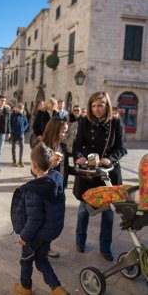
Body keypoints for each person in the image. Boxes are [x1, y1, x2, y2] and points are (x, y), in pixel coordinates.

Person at [73, 91, 126, 262]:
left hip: (107, 174)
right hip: (88, 172)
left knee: (108, 213)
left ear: (107, 106)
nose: (97, 109)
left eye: (100, 105)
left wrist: (109, 159)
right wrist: (79, 156)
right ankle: (80, 241)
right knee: (83, 209)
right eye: (94, 105)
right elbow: (78, 144)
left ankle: (105, 247)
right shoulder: (84, 121)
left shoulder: (116, 123)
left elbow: (121, 148)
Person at [11, 142, 69, 295]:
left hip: (35, 235)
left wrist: (24, 236)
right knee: (41, 259)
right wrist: (52, 163)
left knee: (26, 260)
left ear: (34, 165)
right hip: (50, 231)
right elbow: (50, 172)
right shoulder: (56, 178)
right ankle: (57, 289)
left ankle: (25, 288)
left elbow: (35, 219)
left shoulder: (33, 190)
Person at [42, 117, 70, 258]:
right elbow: (35, 171)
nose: (65, 134)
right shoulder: (43, 148)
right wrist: (50, 165)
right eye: (63, 132)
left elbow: (66, 167)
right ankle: (42, 246)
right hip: (47, 188)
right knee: (46, 219)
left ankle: (45, 245)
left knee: (53, 218)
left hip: (60, 187)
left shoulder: (62, 146)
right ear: (55, 131)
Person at [10, 102, 29, 167]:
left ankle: (20, 160)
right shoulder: (13, 115)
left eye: (21, 109)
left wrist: (23, 129)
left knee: (22, 147)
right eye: (19, 108)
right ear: (16, 108)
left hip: (21, 134)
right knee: (13, 147)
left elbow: (26, 124)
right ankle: (14, 161)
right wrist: (11, 130)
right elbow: (10, 123)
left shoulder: (23, 116)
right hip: (14, 134)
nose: (20, 110)